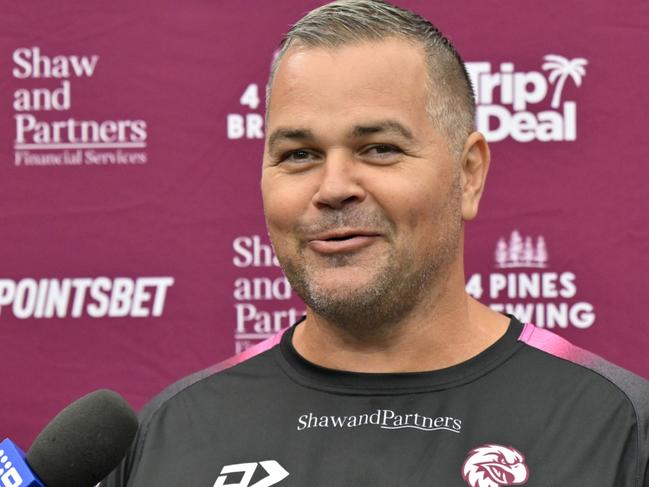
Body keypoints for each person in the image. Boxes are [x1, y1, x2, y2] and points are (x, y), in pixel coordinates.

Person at [103, 1, 649, 486]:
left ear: (469, 173)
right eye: (299, 154)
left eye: (379, 148)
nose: (334, 188)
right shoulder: (173, 430)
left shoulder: (617, 425)